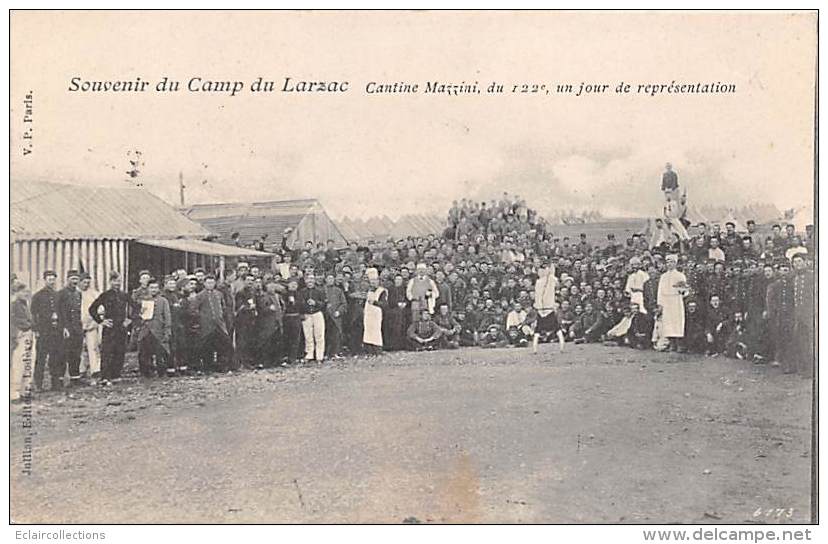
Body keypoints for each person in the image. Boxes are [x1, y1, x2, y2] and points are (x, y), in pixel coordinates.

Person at [88, 271, 131, 382]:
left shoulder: (124, 295)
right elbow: (92, 309)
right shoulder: (105, 295)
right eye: (115, 281)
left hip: (121, 326)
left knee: (120, 351)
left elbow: (136, 306)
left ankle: (116, 375)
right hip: (110, 327)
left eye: (119, 281)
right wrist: (101, 321)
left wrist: (129, 319)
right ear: (110, 282)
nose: (117, 283)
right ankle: (105, 377)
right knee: (107, 351)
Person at [191, 275, 234, 372]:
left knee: (224, 344)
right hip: (206, 326)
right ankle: (208, 367)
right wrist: (202, 318)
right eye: (208, 283)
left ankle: (223, 366)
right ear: (204, 284)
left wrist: (222, 317)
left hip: (219, 324)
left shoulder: (219, 294)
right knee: (207, 346)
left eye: (212, 283)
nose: (210, 285)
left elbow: (223, 307)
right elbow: (194, 310)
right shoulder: (200, 296)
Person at [30, 270, 62, 391]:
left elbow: (61, 313)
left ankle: (55, 383)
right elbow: (33, 314)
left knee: (55, 357)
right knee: (41, 358)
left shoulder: (57, 295)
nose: (52, 282)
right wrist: (36, 330)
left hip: (55, 331)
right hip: (44, 331)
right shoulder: (38, 296)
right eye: (49, 279)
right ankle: (38, 383)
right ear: (44, 280)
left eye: (53, 279)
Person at [135, 279, 172, 378]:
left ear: (159, 289)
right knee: (144, 352)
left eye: (155, 288)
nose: (153, 290)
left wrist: (167, 330)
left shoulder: (163, 301)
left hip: (158, 330)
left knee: (161, 352)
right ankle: (147, 372)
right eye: (151, 288)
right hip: (146, 330)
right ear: (148, 289)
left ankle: (161, 371)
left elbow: (167, 316)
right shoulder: (143, 300)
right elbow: (136, 315)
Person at [57, 269, 84, 386]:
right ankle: (59, 380)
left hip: (77, 328)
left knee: (76, 354)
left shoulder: (78, 293)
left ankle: (75, 378)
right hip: (66, 328)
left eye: (77, 279)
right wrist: (63, 327)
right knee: (63, 354)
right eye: (73, 279)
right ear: (67, 279)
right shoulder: (61, 293)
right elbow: (59, 312)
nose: (75, 281)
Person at [657, 254, 687, 351]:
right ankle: (672, 343)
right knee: (668, 322)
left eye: (672, 262)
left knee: (677, 322)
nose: (669, 264)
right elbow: (660, 291)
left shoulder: (680, 275)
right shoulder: (663, 276)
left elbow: (685, 290)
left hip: (676, 300)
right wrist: (660, 304)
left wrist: (680, 289)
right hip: (666, 301)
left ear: (675, 263)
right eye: (668, 262)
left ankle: (679, 344)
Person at [10, 282, 34, 402]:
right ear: (16, 292)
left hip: (28, 334)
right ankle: (14, 393)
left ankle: (25, 391)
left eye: (26, 292)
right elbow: (13, 321)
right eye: (23, 292)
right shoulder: (13, 305)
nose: (26, 294)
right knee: (18, 365)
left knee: (28, 363)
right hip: (19, 336)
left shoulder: (25, 304)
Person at [256, 276, 284, 367]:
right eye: (270, 286)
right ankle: (266, 362)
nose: (272, 288)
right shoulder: (264, 296)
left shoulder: (278, 296)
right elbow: (261, 308)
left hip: (277, 321)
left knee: (277, 342)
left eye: (273, 286)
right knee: (267, 343)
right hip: (268, 323)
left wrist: (280, 314)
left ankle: (277, 361)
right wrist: (269, 308)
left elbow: (282, 306)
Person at [78, 273, 101, 379]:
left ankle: (95, 369)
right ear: (79, 282)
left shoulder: (94, 294)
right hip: (78, 325)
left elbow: (100, 309)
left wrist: (95, 319)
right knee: (80, 348)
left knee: (93, 347)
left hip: (91, 324)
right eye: (84, 282)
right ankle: (81, 369)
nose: (86, 284)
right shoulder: (76, 293)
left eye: (88, 282)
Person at [234, 273, 259, 368]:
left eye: (252, 281)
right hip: (242, 320)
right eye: (248, 280)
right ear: (244, 281)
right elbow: (239, 306)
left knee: (250, 340)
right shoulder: (240, 292)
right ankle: (242, 362)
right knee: (242, 341)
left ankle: (249, 360)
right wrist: (249, 307)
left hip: (251, 319)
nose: (250, 282)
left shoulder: (253, 292)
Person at [300, 274, 327, 362]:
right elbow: (299, 303)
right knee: (308, 335)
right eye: (308, 279)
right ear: (305, 281)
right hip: (307, 314)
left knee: (319, 335)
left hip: (317, 314)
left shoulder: (319, 291)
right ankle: (309, 354)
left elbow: (324, 303)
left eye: (312, 279)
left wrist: (316, 303)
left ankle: (320, 355)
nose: (310, 281)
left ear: (314, 280)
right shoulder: (302, 292)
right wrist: (304, 307)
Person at [363, 268, 387, 355]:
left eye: (375, 281)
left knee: (376, 331)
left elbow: (384, 304)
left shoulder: (382, 291)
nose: (373, 283)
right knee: (368, 331)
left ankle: (377, 349)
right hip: (368, 313)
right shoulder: (368, 291)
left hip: (376, 313)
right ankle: (369, 350)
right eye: (371, 281)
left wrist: (375, 303)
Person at [324, 273, 347, 358]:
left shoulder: (338, 290)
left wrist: (339, 311)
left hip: (335, 316)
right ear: (326, 280)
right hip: (325, 316)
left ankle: (336, 352)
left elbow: (344, 304)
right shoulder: (322, 290)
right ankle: (325, 353)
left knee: (336, 335)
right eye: (328, 278)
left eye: (332, 279)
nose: (330, 280)